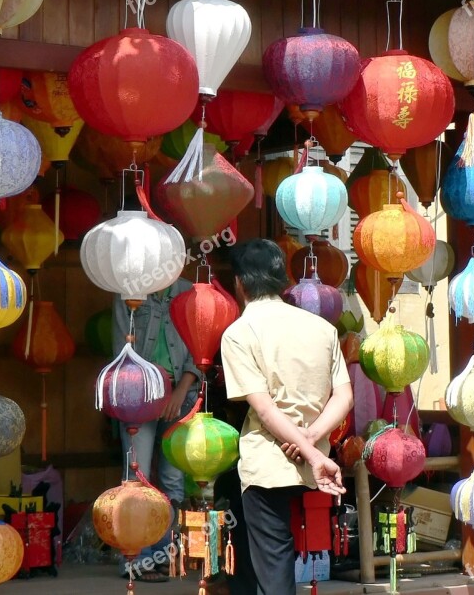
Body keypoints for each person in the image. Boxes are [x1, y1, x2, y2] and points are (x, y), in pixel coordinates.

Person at [220, 239, 354, 595]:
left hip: (269, 463)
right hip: (313, 462)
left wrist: (305, 448)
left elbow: (263, 408)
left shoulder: (238, 333)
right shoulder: (322, 328)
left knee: (272, 568)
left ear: (240, 283)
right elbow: (344, 396)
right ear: (283, 281)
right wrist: (311, 441)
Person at [111, 277, 201, 583]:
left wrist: (179, 392)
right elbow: (120, 349)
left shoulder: (189, 292)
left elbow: (199, 347)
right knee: (135, 477)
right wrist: (142, 391)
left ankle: (164, 552)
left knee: (173, 481)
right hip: (139, 393)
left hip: (180, 394)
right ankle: (135, 556)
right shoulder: (130, 289)